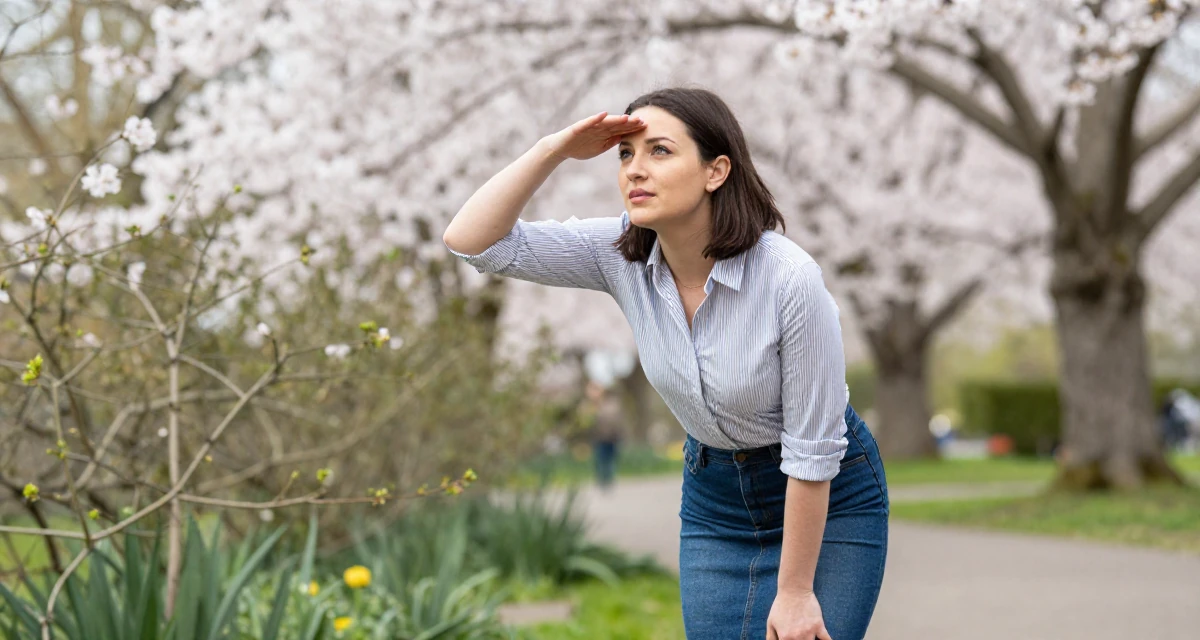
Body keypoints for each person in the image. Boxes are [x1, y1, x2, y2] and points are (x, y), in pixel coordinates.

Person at [443, 87, 888, 640]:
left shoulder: (789, 280)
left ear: (715, 171)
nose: (635, 170)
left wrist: (795, 592)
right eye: (625, 155)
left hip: (827, 496)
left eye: (659, 151)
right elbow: (472, 243)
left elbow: (813, 451)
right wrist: (554, 150)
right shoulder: (617, 254)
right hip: (715, 501)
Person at [585, 381, 625, 490]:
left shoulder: (610, 403)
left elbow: (615, 419)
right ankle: (602, 480)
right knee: (600, 459)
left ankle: (609, 480)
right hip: (599, 438)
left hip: (611, 437)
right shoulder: (591, 405)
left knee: (610, 459)